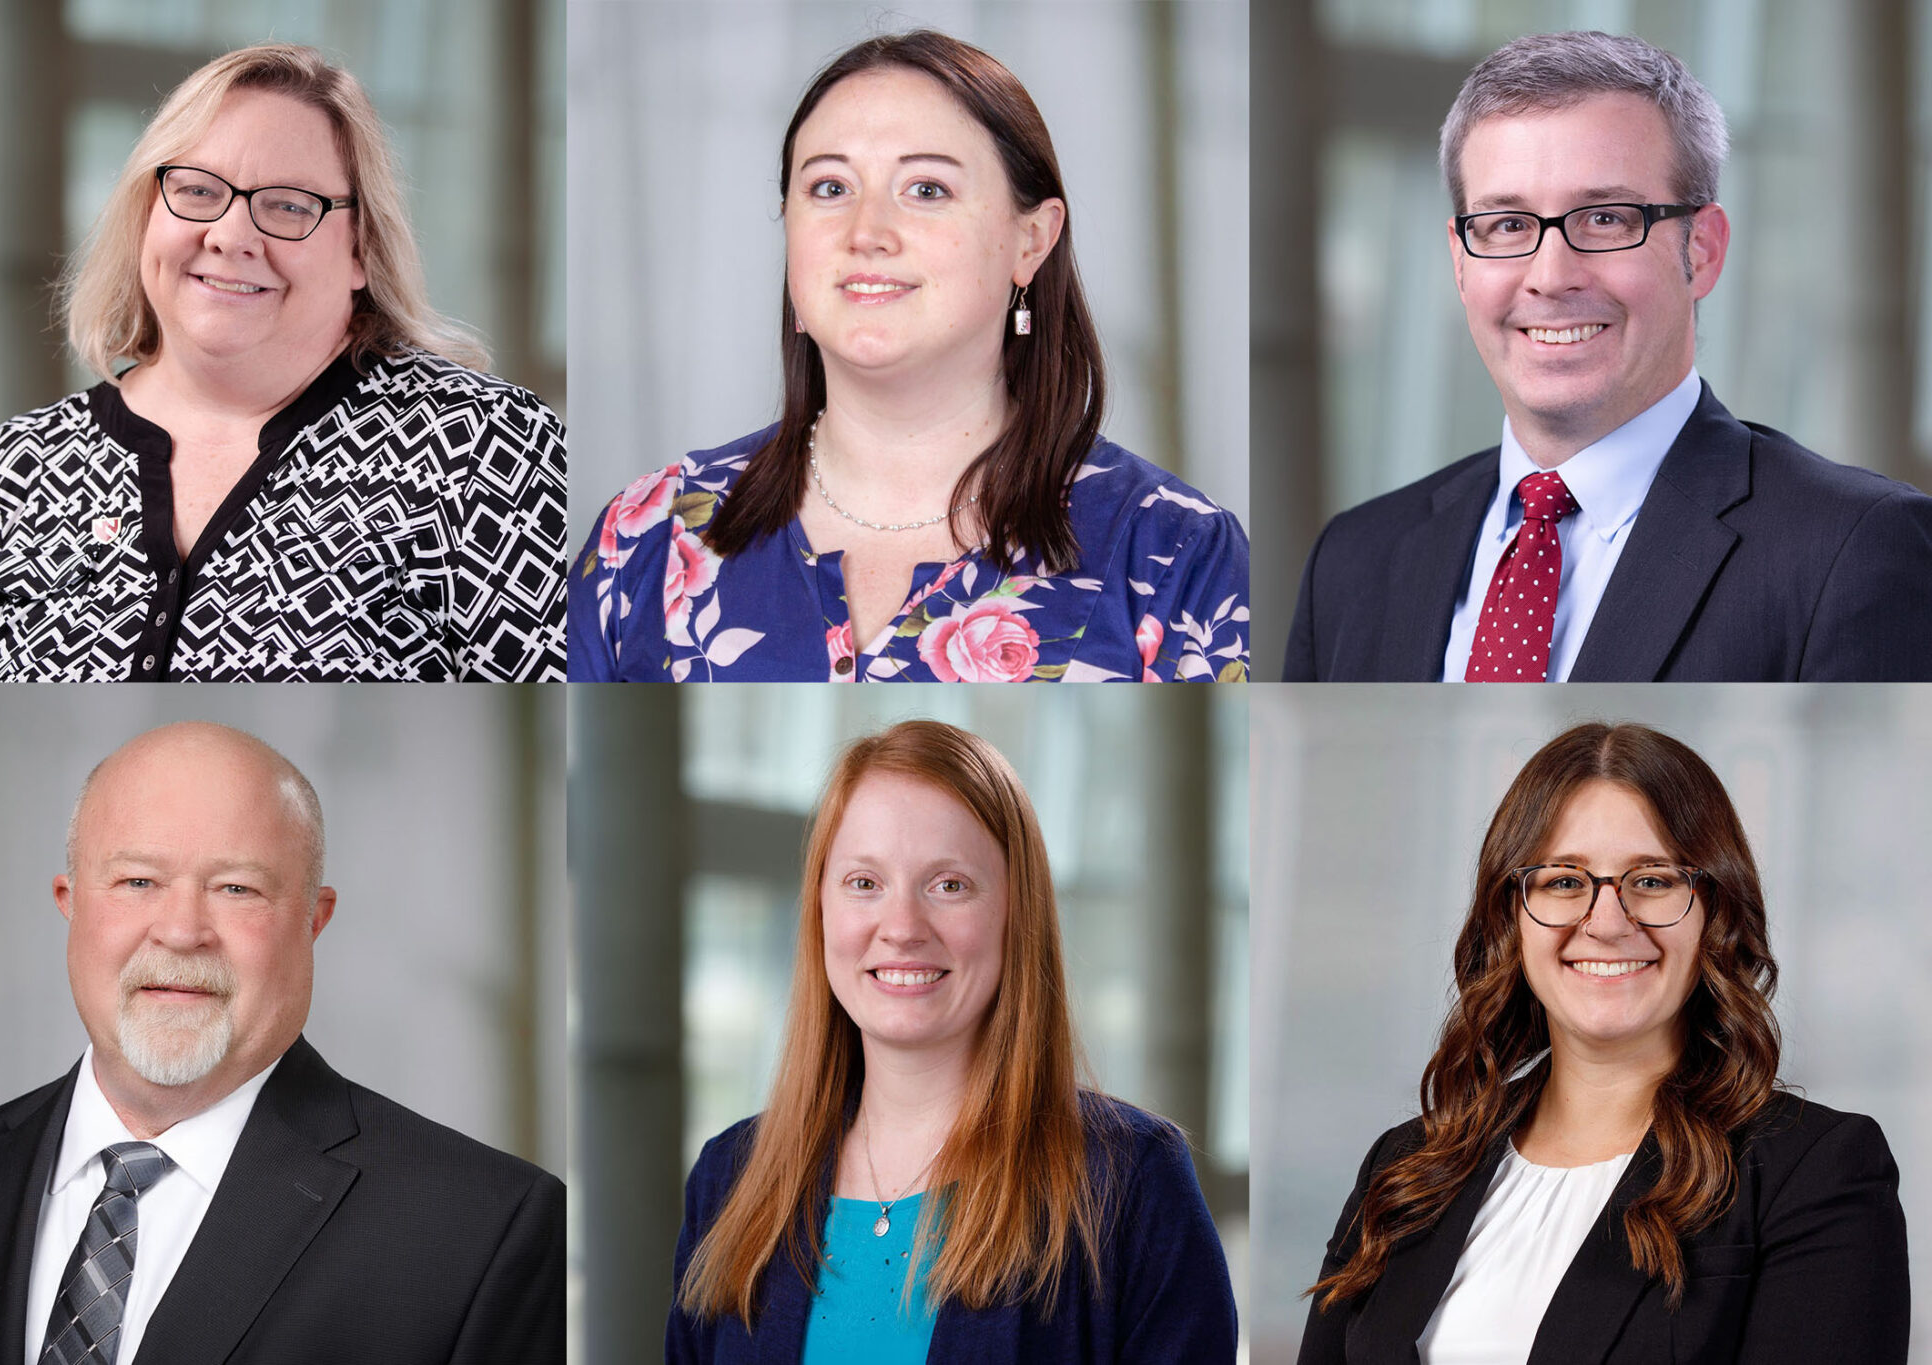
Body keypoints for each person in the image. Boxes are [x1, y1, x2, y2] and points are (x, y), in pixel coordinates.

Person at [571, 30, 1247, 683]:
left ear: (1032, 240)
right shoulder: (648, 534)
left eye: (927, 190)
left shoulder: (1176, 552)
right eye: (829, 188)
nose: (866, 233)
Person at [0, 722, 565, 1362]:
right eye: (138, 881)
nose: (181, 930)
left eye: (237, 888)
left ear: (312, 919)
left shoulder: (479, 1229)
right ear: (70, 899)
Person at [0, 44, 568, 681]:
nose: (231, 235)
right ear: (146, 211)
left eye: (289, 206)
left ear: (360, 250)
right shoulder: (6, 476)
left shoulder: (485, 448)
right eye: (200, 190)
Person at [1283, 31, 1932, 682]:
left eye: (1605, 219)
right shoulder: (1353, 561)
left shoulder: (1855, 552)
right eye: (1508, 225)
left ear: (1701, 249)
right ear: (1460, 261)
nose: (1550, 275)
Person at [1298, 722, 1908, 1362]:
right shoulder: (1407, 1168)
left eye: (1652, 880)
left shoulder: (1812, 1170)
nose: (1608, 923)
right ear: (1511, 916)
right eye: (1564, 881)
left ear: (1715, 911)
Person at [666, 720, 1236, 1361]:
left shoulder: (1130, 1183)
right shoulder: (730, 1178)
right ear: (820, 906)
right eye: (864, 883)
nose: (903, 927)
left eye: (950, 885)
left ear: (1017, 913)